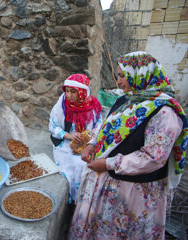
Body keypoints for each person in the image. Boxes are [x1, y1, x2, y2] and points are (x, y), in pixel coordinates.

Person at [69, 51, 188, 239]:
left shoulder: (164, 113)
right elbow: (105, 125)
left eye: (123, 76)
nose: (118, 81)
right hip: (105, 185)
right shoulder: (126, 100)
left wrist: (107, 164)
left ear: (142, 75)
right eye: (119, 75)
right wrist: (92, 144)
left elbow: (153, 157)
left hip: (132, 194)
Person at [49, 74, 102, 204]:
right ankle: (74, 201)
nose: (69, 95)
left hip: (88, 143)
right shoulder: (61, 105)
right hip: (65, 144)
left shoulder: (93, 105)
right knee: (71, 168)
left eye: (73, 91)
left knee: (84, 166)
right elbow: (52, 126)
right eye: (67, 91)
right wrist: (68, 135)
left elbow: (99, 126)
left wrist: (89, 142)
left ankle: (83, 202)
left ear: (83, 92)